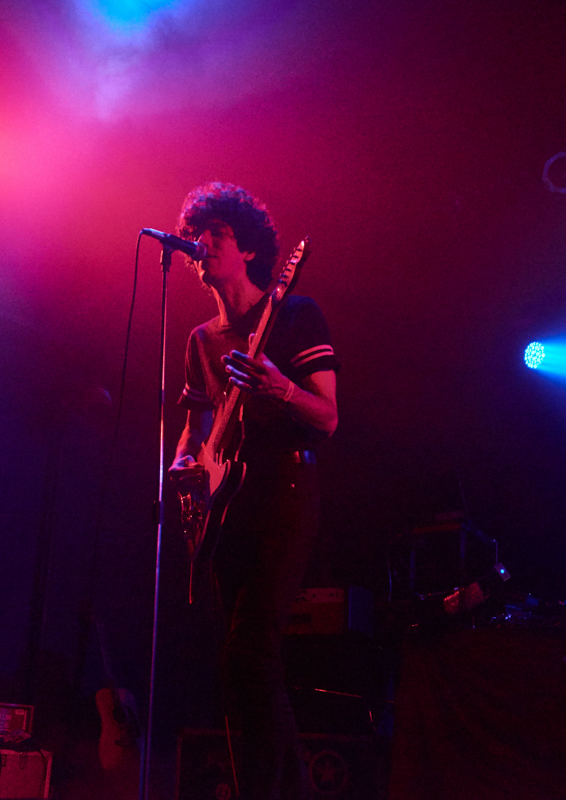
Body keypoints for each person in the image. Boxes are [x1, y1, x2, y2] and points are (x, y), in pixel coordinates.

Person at [169, 182, 339, 799]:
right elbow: (196, 426)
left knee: (251, 650)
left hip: (283, 491)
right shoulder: (201, 339)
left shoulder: (294, 313)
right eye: (197, 237)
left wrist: (279, 388)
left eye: (217, 235)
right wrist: (183, 461)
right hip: (225, 510)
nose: (203, 245)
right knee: (238, 668)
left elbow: (328, 417)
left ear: (248, 250)